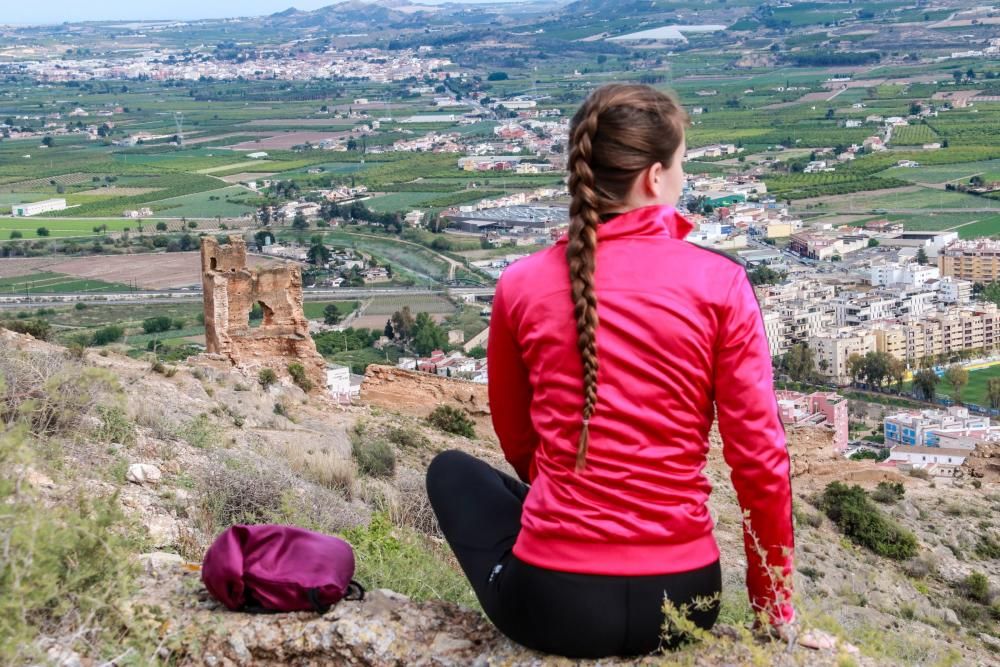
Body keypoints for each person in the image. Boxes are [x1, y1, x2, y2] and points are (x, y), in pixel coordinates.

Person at [425, 83, 795, 659]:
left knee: (452, 472)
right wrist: (774, 605)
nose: (681, 181)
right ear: (653, 177)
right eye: (680, 167)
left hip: (556, 604)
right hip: (685, 600)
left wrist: (571, 494)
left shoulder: (521, 283)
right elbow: (760, 462)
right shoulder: (721, 284)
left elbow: (518, 436)